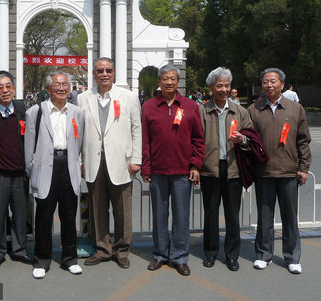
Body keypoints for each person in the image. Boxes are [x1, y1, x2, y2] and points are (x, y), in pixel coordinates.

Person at [141, 64, 205, 276]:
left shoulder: (190, 106)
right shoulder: (149, 107)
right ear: (159, 81)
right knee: (159, 215)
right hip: (158, 171)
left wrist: (195, 164)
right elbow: (145, 141)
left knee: (181, 216)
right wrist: (147, 167)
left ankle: (179, 256)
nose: (169, 82)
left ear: (178, 82)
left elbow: (198, 139)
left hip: (182, 172)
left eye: (173, 79)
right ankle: (160, 254)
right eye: (165, 79)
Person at [78, 57, 142, 270]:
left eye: (108, 70)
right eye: (100, 70)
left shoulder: (128, 97)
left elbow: (136, 129)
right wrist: (79, 160)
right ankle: (102, 249)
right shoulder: (83, 98)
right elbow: (78, 132)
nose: (104, 74)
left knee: (122, 209)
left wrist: (136, 159)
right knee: (97, 209)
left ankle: (122, 250)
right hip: (93, 160)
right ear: (94, 74)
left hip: (121, 162)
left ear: (114, 73)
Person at [248, 68, 311, 275]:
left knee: (290, 217)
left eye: (273, 81)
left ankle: (292, 257)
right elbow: (248, 139)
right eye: (265, 82)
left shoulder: (295, 109)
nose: (269, 85)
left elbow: (303, 140)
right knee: (264, 217)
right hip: (263, 172)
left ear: (282, 84)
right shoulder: (254, 109)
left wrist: (303, 168)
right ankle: (263, 255)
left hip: (288, 172)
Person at [25, 72, 84, 279]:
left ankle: (70, 258)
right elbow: (29, 146)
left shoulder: (77, 112)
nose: (61, 88)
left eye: (65, 84)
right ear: (48, 89)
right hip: (45, 168)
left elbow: (80, 140)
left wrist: (79, 165)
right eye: (57, 85)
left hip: (68, 166)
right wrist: (32, 171)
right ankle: (41, 259)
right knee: (43, 217)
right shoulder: (35, 112)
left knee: (69, 215)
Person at [199, 67, 253, 271]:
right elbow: (196, 140)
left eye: (227, 85)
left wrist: (244, 139)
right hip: (209, 169)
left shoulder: (240, 111)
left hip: (233, 170)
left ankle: (232, 255)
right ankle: (210, 252)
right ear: (211, 87)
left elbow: (252, 139)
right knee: (211, 213)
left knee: (232, 214)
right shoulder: (202, 111)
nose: (224, 89)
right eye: (219, 85)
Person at [0, 70, 33, 271]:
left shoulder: (23, 112)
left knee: (20, 215)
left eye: (8, 86)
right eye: (0, 87)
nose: (5, 91)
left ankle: (20, 250)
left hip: (20, 175)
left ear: (14, 88)